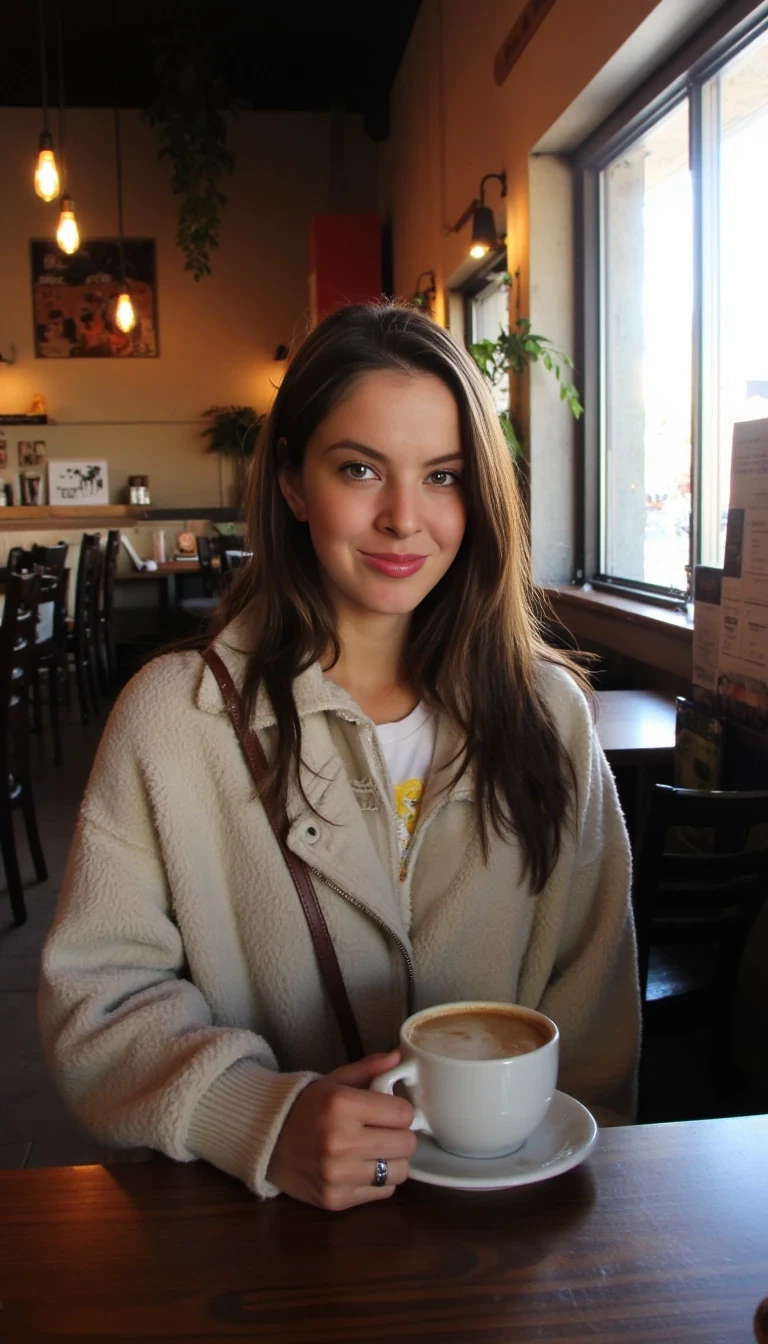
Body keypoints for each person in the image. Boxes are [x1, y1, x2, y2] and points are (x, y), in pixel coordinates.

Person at [39, 302, 640, 1212]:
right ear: (290, 482)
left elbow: (596, 1017)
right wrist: (257, 1117)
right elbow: (99, 1000)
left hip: (502, 1232)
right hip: (254, 1230)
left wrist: (555, 1198)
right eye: (360, 469)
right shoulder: (176, 718)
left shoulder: (548, 718)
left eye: (442, 476)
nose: (405, 518)